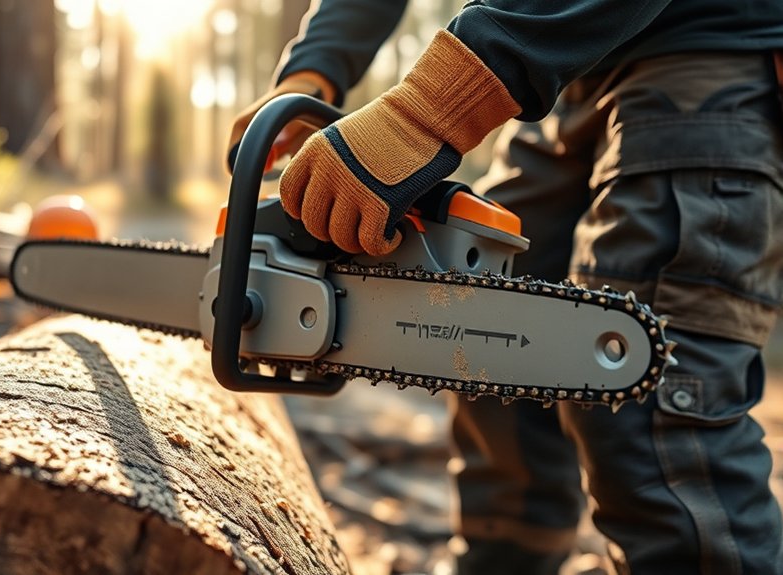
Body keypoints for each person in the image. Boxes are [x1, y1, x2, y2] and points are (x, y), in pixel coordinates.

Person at [228, 1, 783, 573]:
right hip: (567, 73)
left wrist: (422, 114)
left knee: (654, 408)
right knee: (487, 337)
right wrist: (311, 71)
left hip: (705, 57)